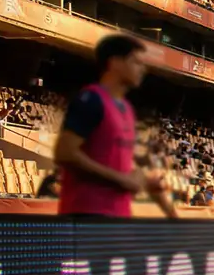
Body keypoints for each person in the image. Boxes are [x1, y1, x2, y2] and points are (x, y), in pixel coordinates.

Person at [53, 34, 176, 218]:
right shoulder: (91, 100)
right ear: (115, 62)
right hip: (86, 214)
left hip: (118, 216)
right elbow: (65, 153)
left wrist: (170, 212)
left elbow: (121, 166)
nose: (143, 70)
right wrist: (120, 179)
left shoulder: (126, 108)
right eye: (136, 62)